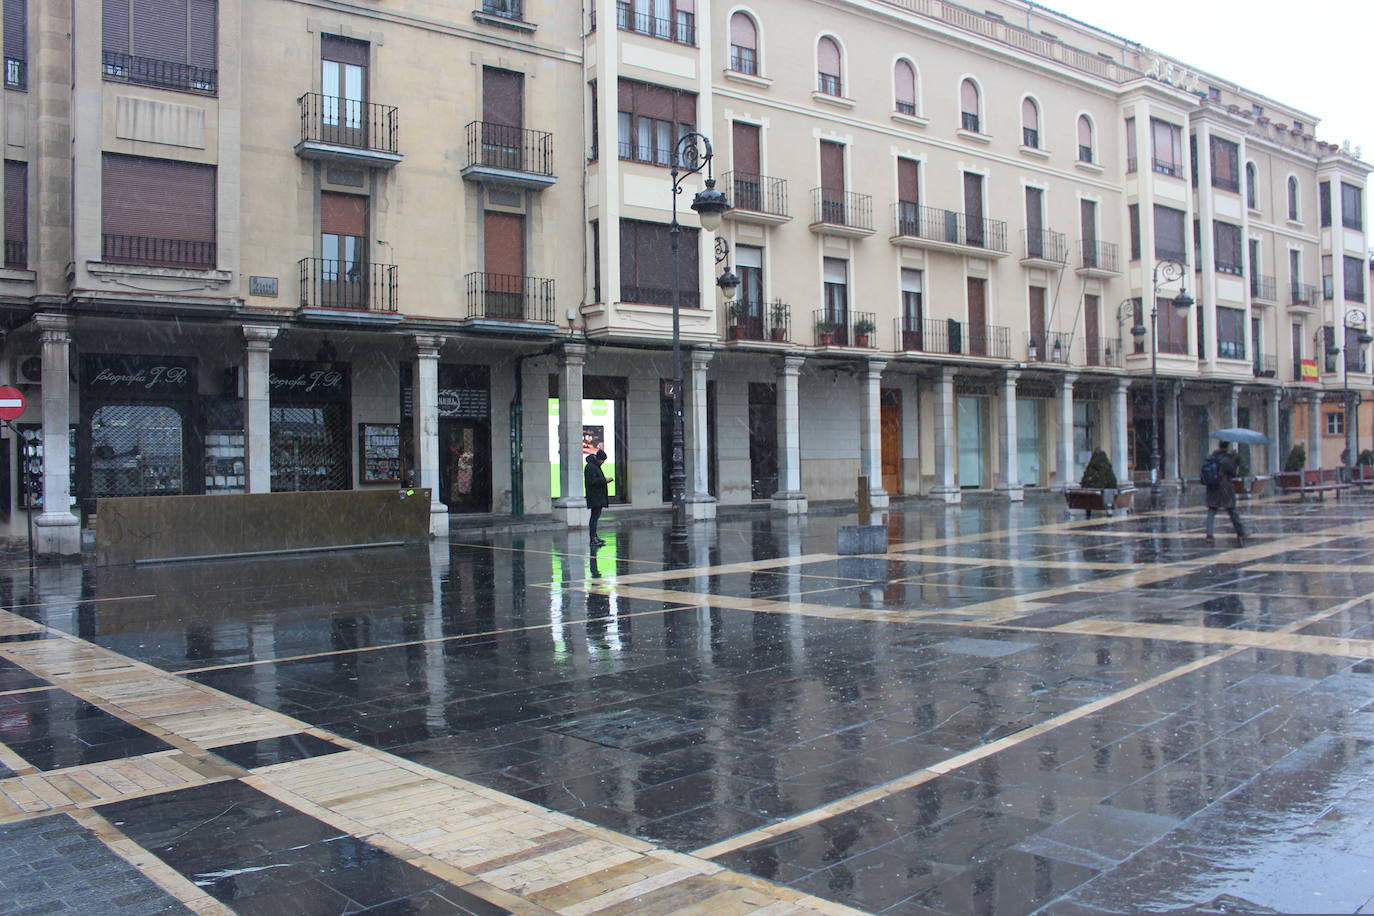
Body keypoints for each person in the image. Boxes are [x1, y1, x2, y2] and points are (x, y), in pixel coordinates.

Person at [1204, 440, 1246, 545]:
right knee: (1232, 510)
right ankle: (1240, 531)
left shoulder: (1212, 457)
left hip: (1213, 487)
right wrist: (1236, 461)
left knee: (1212, 511)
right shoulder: (1227, 459)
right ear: (1227, 447)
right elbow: (1233, 473)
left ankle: (1209, 534)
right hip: (1224, 488)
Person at [584, 448, 611, 547]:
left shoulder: (594, 466)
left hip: (597, 496)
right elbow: (592, 481)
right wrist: (604, 480)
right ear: (599, 459)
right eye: (602, 460)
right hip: (595, 496)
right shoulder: (591, 467)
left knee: (595, 517)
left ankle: (594, 536)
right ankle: (593, 538)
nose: (603, 462)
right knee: (594, 518)